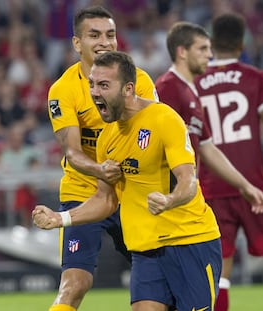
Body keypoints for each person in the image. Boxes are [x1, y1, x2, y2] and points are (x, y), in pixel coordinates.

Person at [33, 50, 222, 311]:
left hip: (189, 241)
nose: (95, 92)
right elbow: (106, 199)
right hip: (145, 251)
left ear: (128, 89)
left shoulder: (164, 119)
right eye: (92, 84)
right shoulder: (107, 137)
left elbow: (189, 181)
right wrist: (60, 218)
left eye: (104, 85)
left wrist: (169, 200)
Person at [45, 6, 158, 311]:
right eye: (94, 35)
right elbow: (72, 151)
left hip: (130, 193)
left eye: (110, 34)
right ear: (77, 43)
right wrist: (101, 170)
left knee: (158, 286)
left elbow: (151, 134)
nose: (105, 42)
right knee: (75, 283)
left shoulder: (141, 81)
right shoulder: (63, 90)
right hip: (83, 192)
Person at [194, 13, 263, 311]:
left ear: (211, 44)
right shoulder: (258, 78)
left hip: (212, 183)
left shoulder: (196, 83)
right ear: (242, 43)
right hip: (255, 182)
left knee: (221, 263)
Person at [155, 21, 263, 213]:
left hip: (184, 196)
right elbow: (154, 143)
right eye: (202, 49)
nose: (210, 55)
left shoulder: (190, 91)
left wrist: (245, 186)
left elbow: (207, 147)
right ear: (182, 52)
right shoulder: (167, 88)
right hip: (168, 198)